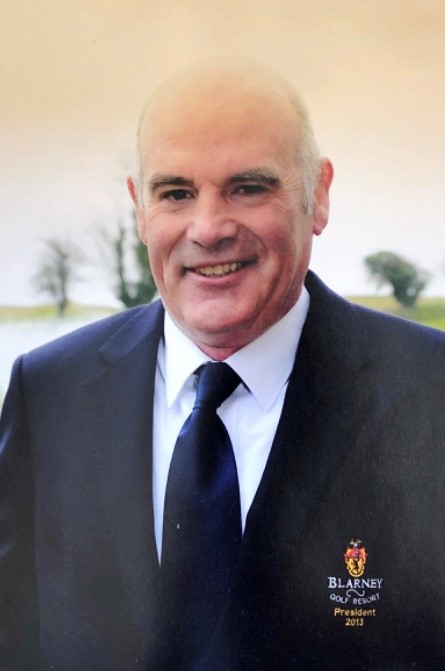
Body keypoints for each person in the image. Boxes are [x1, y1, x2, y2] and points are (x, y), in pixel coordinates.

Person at [1, 59, 445, 671]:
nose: (208, 229)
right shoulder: (47, 394)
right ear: (139, 208)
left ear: (318, 194)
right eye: (175, 193)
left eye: (248, 187)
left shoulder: (431, 393)